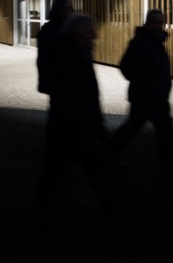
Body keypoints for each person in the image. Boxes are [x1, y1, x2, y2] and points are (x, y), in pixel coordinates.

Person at [34, 13, 120, 222]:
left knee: (56, 173)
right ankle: (116, 221)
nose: (95, 36)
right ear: (78, 34)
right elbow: (74, 95)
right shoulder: (70, 57)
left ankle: (40, 212)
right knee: (96, 175)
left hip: (69, 128)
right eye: (90, 32)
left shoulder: (79, 53)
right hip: (74, 129)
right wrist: (91, 126)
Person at [109, 9, 173, 184]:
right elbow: (126, 67)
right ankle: (109, 155)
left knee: (164, 135)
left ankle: (169, 172)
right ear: (147, 23)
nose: (159, 26)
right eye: (156, 23)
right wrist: (148, 83)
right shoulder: (139, 42)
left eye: (161, 23)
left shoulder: (156, 42)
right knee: (134, 129)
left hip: (158, 98)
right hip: (144, 97)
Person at [36, 0, 74, 95]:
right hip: (58, 80)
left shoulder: (70, 27)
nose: (71, 11)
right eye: (68, 8)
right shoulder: (49, 30)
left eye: (71, 8)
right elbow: (44, 59)